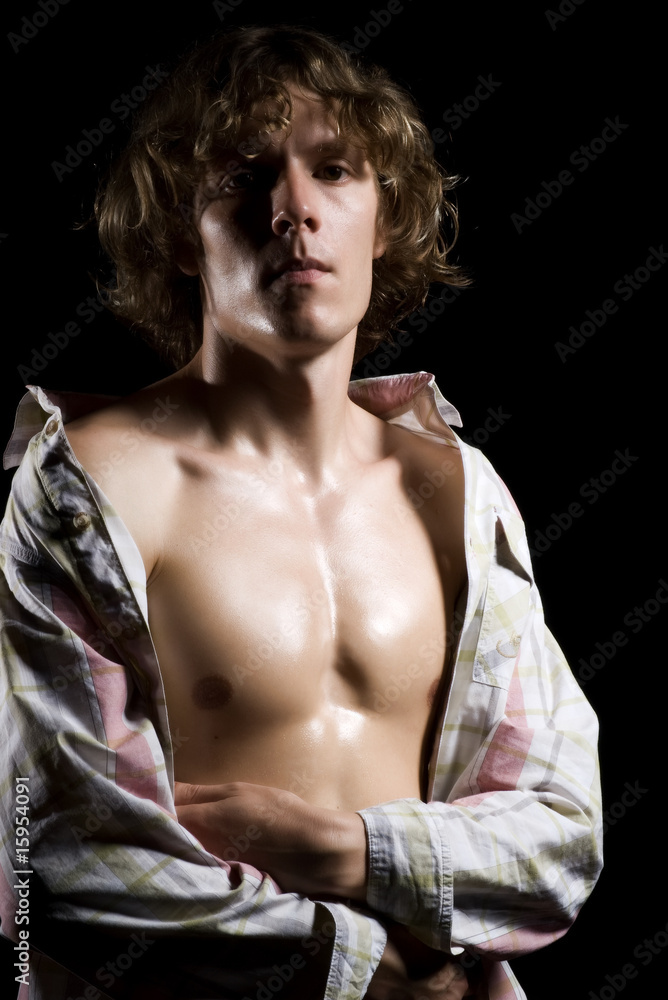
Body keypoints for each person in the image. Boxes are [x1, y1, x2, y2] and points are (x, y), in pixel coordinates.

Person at [0, 25, 602, 1000]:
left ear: (383, 218)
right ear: (179, 234)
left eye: (333, 170)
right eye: (243, 178)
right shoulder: (93, 484)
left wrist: (336, 846)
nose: (293, 210)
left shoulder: (456, 492)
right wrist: (377, 977)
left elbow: (561, 832)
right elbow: (65, 858)